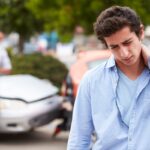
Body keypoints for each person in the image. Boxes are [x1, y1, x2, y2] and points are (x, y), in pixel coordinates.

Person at [67, 5, 150, 149]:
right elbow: (79, 139)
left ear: (141, 33)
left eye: (127, 43)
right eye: (114, 47)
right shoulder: (91, 81)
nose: (124, 53)